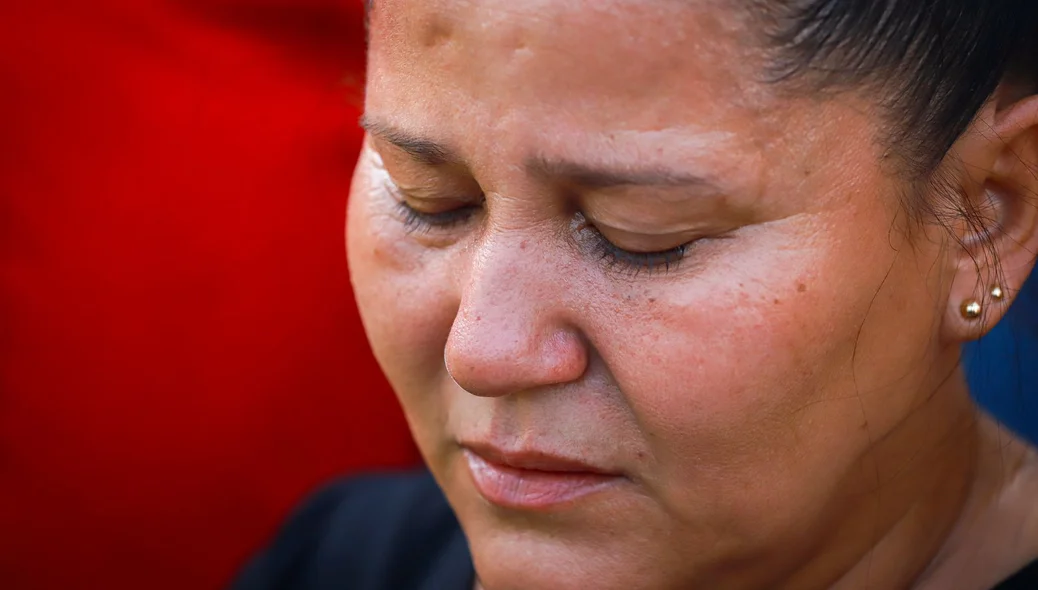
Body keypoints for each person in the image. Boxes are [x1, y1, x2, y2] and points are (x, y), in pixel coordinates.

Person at [233, 0, 1038, 588]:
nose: (481, 350)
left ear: (983, 217)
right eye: (428, 198)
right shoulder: (345, 561)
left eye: (643, 236)